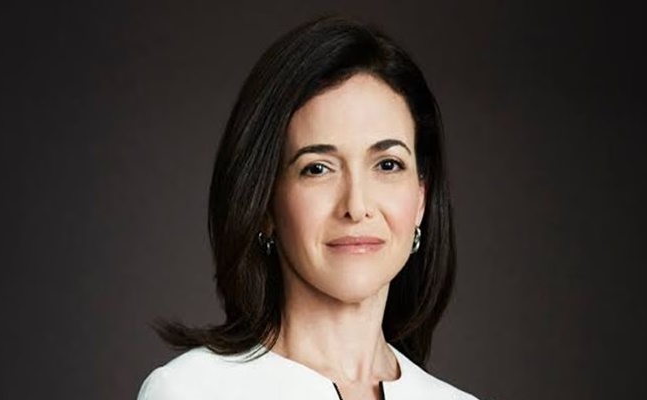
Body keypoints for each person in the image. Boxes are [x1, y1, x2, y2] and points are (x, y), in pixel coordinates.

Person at [137, 16, 479, 400]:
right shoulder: (189, 391)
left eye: (387, 165)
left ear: (420, 199)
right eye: (317, 168)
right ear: (264, 204)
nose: (356, 206)